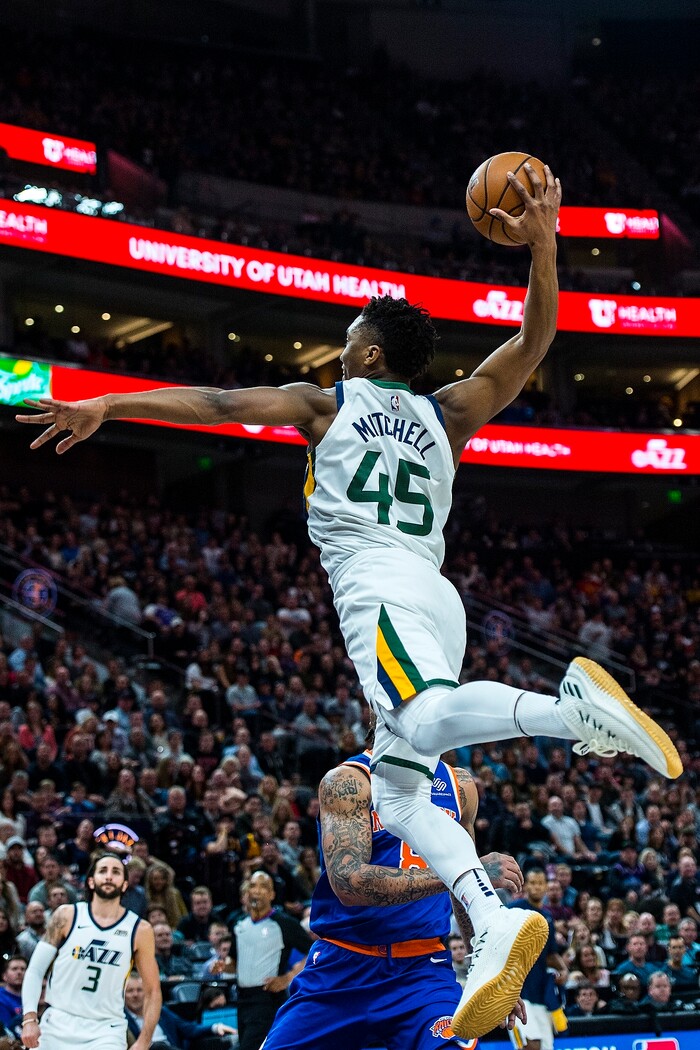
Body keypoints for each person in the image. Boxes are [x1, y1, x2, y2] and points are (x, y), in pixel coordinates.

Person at [17, 163, 683, 1038]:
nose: (341, 341)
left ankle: (570, 712)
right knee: (404, 791)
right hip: (436, 594)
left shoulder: (325, 405)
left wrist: (109, 402)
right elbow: (531, 344)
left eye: (348, 332)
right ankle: (492, 919)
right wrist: (546, 244)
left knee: (431, 717)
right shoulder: (452, 412)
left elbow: (216, 402)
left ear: (369, 354)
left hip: (378, 587)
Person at [261, 744, 524, 1050]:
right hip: (344, 967)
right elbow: (350, 884)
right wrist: (464, 871)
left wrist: (490, 973)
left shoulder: (459, 785)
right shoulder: (349, 780)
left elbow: (463, 894)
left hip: (422, 971)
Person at [20, 850, 162, 1050]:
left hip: (106, 1030)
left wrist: (144, 1041)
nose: (109, 875)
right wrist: (29, 1018)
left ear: (124, 884)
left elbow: (153, 990)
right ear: (91, 881)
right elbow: (35, 970)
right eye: (103, 870)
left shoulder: (140, 929)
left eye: (116, 872)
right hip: (58, 1022)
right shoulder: (66, 916)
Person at [232, 871, 312, 1050]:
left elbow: (316, 951)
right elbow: (234, 962)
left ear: (272, 894)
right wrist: (223, 965)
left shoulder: (284, 923)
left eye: (263, 887)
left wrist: (288, 977)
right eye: (253, 886)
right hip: (242, 1000)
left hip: (268, 999)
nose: (257, 891)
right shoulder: (239, 925)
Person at [507, 867, 568, 1050]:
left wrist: (564, 969)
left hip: (541, 992)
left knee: (545, 1047)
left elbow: (550, 954)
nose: (537, 887)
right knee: (530, 1045)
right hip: (517, 992)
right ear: (525, 886)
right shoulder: (514, 910)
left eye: (541, 883)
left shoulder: (548, 916)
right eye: (533, 882)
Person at [124, 973, 236, 1050]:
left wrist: (216, 1027)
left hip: (170, 1048)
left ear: (146, 992)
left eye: (139, 990)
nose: (135, 995)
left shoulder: (160, 1011)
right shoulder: (122, 1019)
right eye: (130, 991)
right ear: (123, 995)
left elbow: (189, 1029)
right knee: (158, 1047)